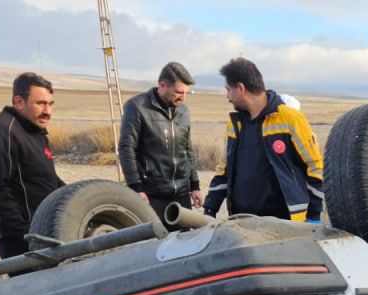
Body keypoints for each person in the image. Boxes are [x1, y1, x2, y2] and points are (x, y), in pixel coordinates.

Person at [203, 58, 323, 223]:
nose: (227, 96)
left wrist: (314, 215)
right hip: (242, 221)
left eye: (228, 90)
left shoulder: (291, 119)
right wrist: (210, 208)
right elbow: (224, 169)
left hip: (286, 223)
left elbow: (315, 166)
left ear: (241, 88)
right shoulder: (235, 124)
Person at [0, 72, 66, 259]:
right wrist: (24, 233)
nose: (47, 111)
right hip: (20, 238)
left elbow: (48, 179)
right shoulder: (2, 130)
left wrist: (76, 196)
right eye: (40, 103)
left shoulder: (36, 131)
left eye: (50, 104)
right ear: (19, 102)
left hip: (45, 230)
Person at [118, 61, 202, 229]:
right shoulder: (137, 107)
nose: (183, 98)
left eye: (186, 93)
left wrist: (195, 186)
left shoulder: (184, 111)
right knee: (155, 242)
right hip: (151, 196)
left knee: (185, 242)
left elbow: (187, 150)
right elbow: (127, 148)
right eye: (178, 92)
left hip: (181, 197)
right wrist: (136, 188)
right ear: (162, 85)